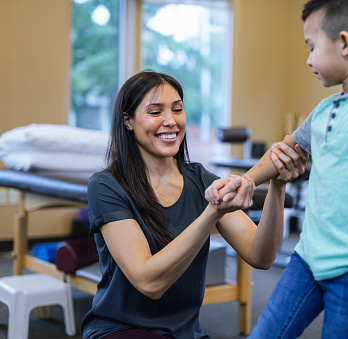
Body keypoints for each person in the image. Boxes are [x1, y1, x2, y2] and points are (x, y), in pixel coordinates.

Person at [206, 0, 348, 338]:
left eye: (311, 46)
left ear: (345, 43)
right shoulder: (323, 110)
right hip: (307, 258)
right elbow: (283, 150)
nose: (307, 58)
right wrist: (246, 180)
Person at [81, 70, 309, 339]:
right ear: (128, 121)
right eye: (155, 112)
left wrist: (277, 186)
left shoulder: (201, 180)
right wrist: (211, 213)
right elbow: (149, 281)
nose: (170, 121)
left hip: (185, 333)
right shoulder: (107, 185)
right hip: (121, 328)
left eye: (177, 109)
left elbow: (261, 256)